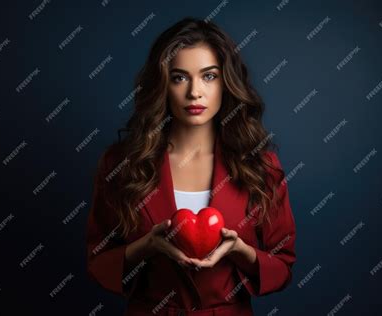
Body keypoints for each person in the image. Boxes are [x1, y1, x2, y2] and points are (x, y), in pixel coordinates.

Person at [86, 17, 296, 316]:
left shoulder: (260, 166)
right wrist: (147, 246)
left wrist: (240, 251)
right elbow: (98, 263)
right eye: (179, 77)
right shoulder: (121, 164)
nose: (194, 92)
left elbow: (283, 266)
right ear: (162, 84)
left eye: (209, 76)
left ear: (227, 82)